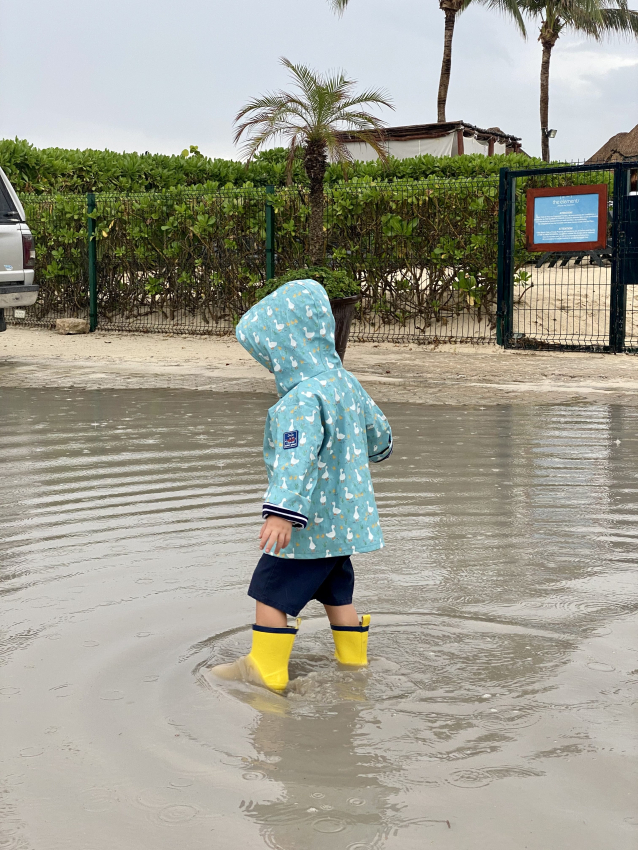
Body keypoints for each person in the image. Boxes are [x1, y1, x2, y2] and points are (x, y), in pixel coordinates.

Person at [211, 279, 392, 692]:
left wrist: (281, 515)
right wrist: (370, 450)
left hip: (306, 528)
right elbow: (379, 436)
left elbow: (296, 461)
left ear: (284, 347)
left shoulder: (299, 401)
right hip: (343, 527)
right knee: (337, 597)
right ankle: (354, 664)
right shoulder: (344, 383)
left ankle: (266, 670)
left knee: (270, 595)